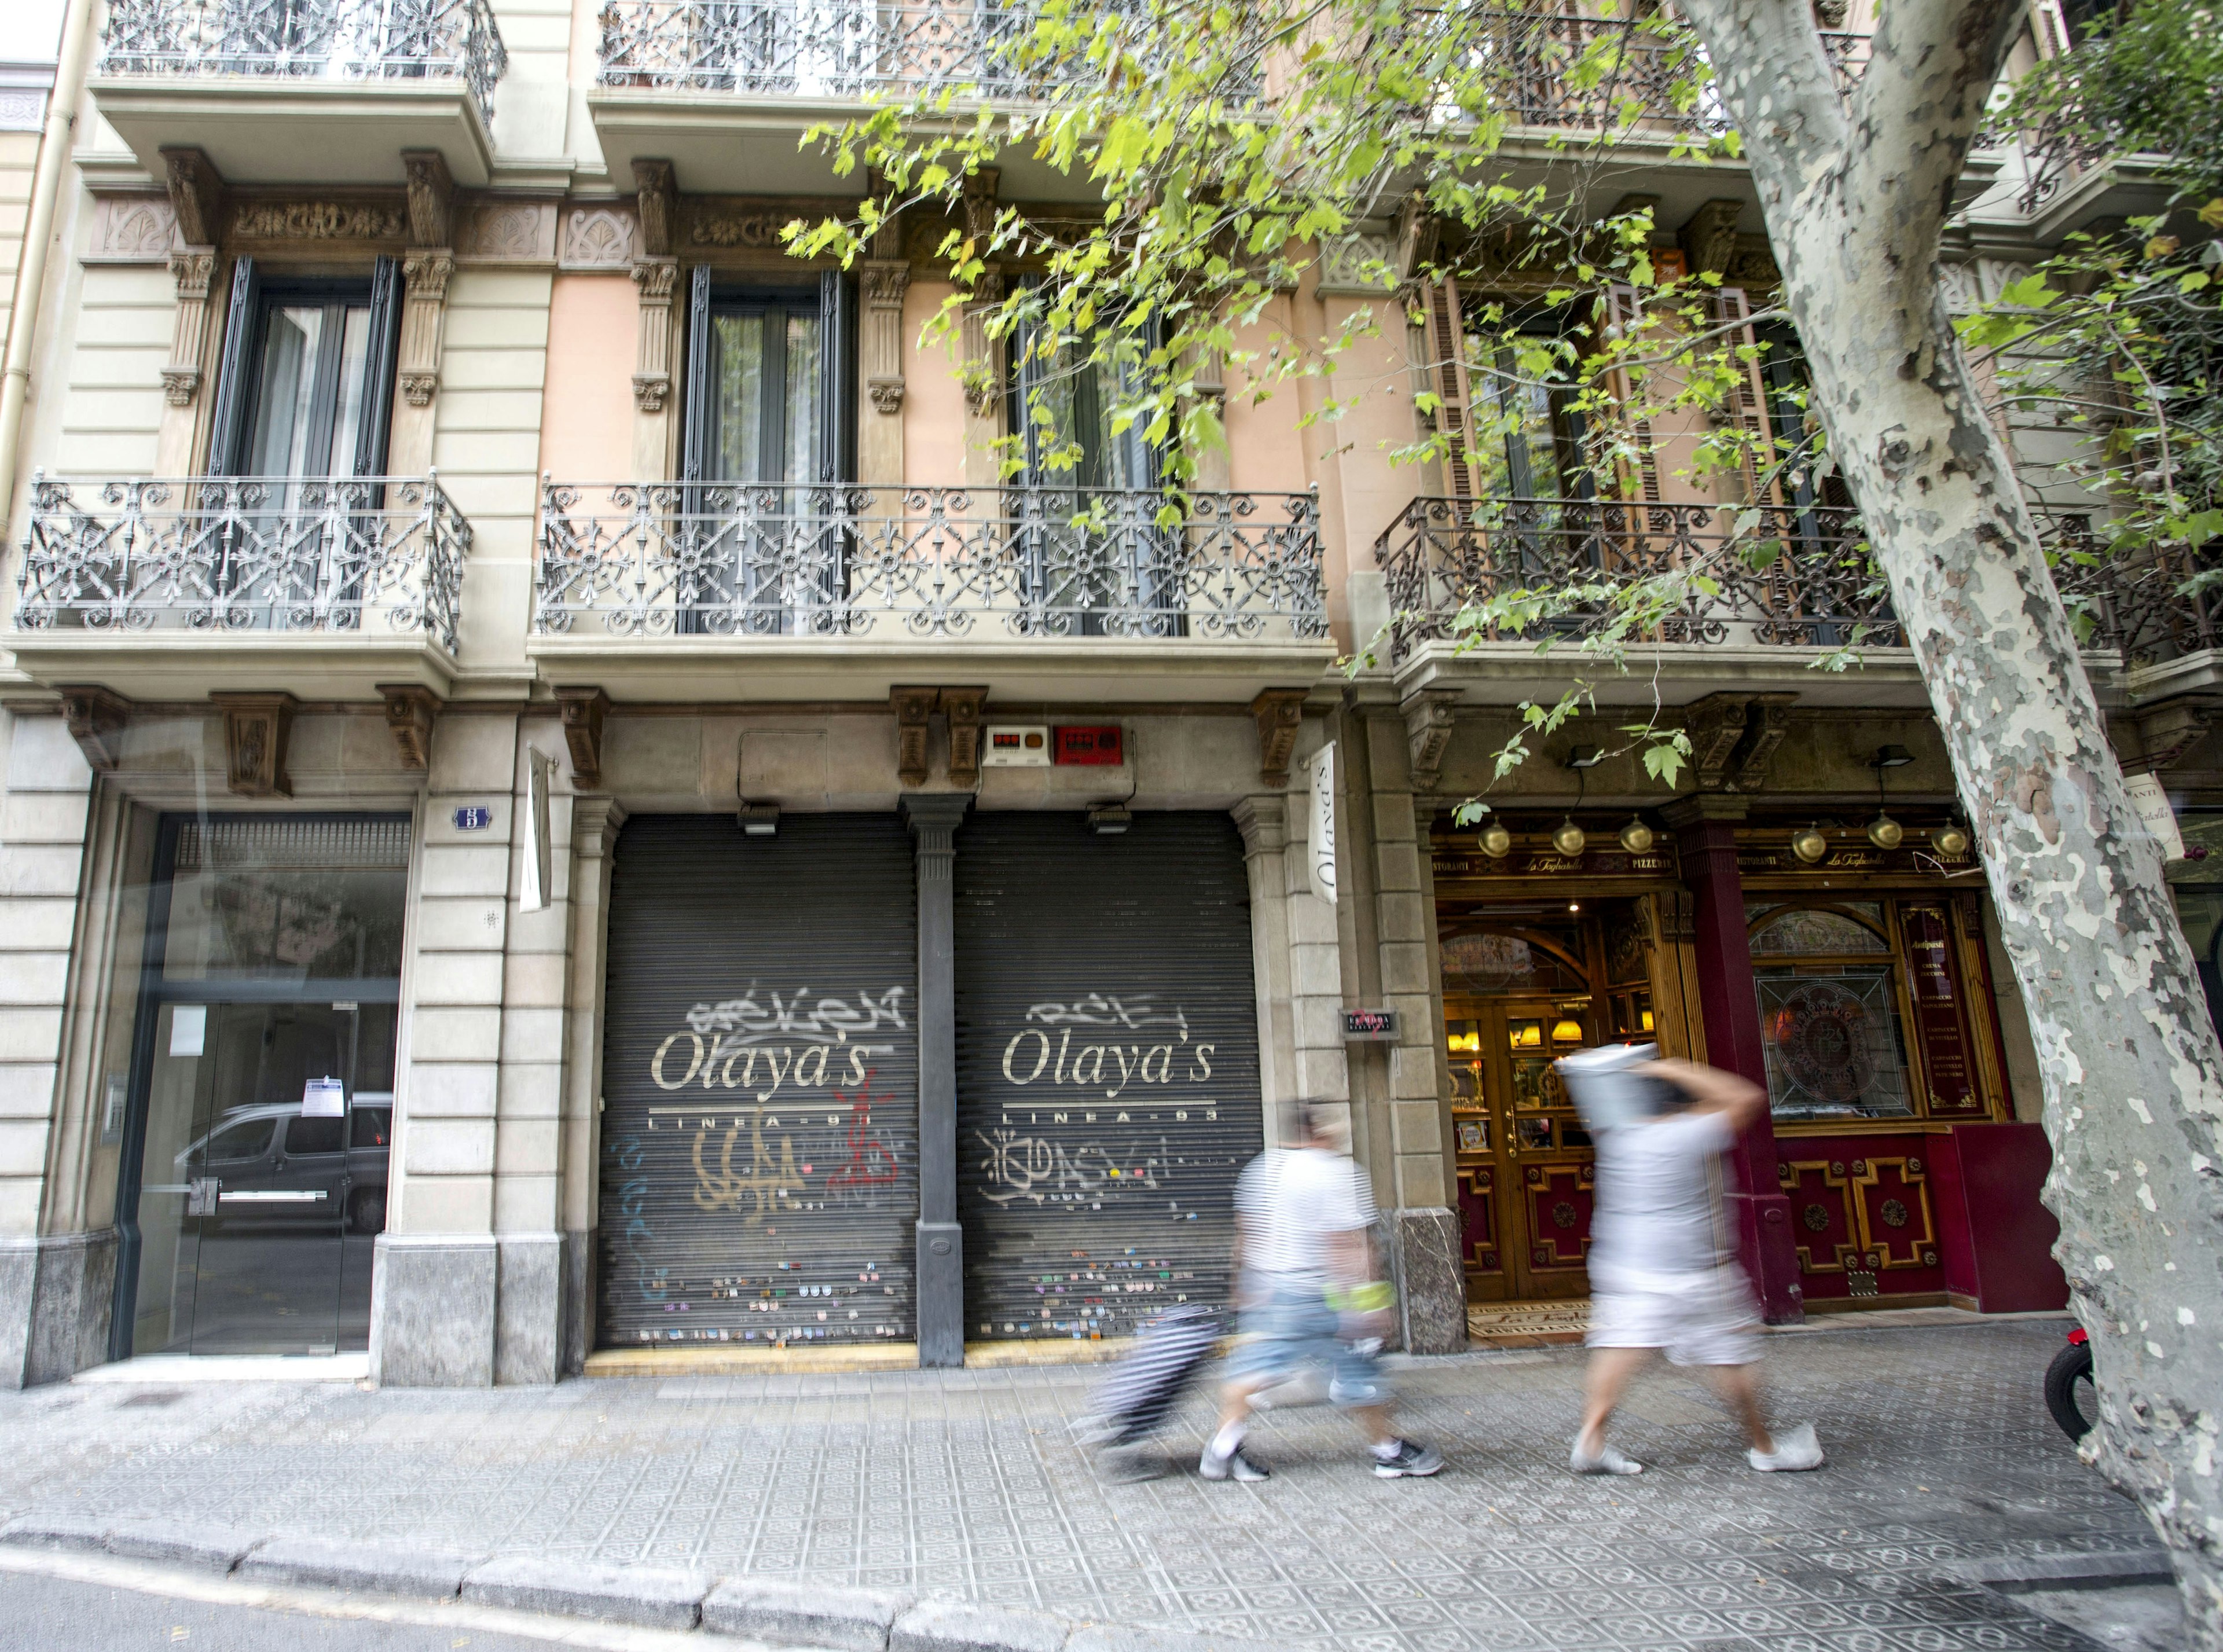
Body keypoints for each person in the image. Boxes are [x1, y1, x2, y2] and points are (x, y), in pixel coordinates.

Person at [1571, 1056, 1825, 1477]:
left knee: (1619, 1349)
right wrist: (1670, 1067)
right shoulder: (1687, 1132)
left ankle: (1591, 1440)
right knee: (1731, 1356)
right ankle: (1764, 1447)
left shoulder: (1620, 1136)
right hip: (1696, 1270)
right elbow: (1747, 1098)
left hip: (1626, 1265)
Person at [1200, 1102, 1444, 1482]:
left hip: (1270, 1289)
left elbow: (1245, 1236)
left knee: (1250, 1369)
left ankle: (1221, 1451)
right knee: (1360, 1372)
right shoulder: (1335, 1173)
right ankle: (1389, 1452)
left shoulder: (1262, 1168)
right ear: (1319, 1132)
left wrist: (1243, 1290)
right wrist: (1370, 1305)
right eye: (1333, 1128)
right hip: (1319, 1294)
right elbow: (1348, 1245)